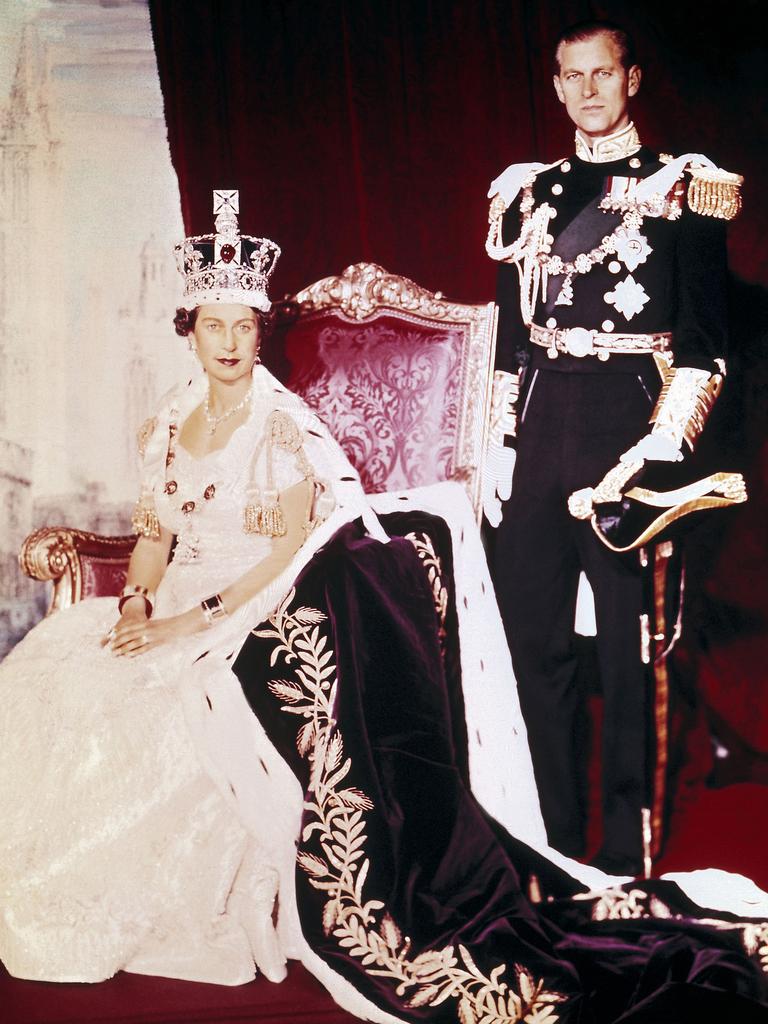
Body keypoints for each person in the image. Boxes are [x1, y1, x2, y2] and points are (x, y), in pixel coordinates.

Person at [2, 190, 768, 1024]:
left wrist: (194, 620)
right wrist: (140, 601)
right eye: (213, 326)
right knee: (57, 674)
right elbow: (153, 528)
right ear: (188, 331)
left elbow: (299, 548)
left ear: (260, 332)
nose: (229, 344)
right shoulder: (168, 423)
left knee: (161, 703)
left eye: (244, 327)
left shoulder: (283, 425)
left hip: (253, 603)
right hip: (177, 601)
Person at [484, 19, 742, 875]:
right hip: (542, 420)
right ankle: (556, 849)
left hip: (629, 427)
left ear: (632, 79)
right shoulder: (526, 194)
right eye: (570, 75)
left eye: (602, 73)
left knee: (632, 661)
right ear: (555, 84)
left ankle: (624, 861)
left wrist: (659, 452)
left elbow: (704, 342)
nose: (586, 90)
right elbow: (508, 343)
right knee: (538, 652)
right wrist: (498, 448)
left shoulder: (685, 187)